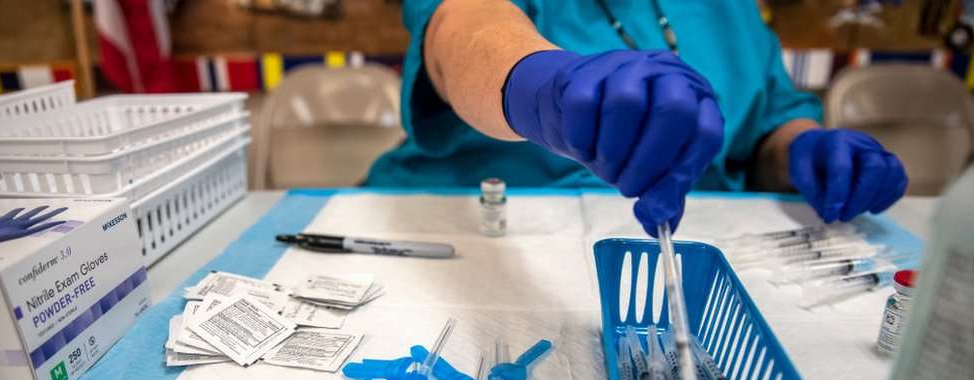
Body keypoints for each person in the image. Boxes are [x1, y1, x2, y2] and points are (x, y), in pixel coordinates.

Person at [366, 0, 908, 235]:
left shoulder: (728, 7)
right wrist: (543, 87)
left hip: (701, 250)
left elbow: (768, 119)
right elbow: (462, 32)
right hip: (486, 236)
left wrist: (802, 150)